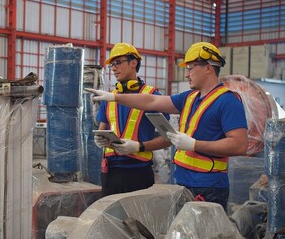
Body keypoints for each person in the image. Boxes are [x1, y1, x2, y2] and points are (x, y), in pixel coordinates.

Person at [88, 42, 249, 211]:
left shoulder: (228, 101)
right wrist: (114, 98)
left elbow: (240, 145)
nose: (186, 74)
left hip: (209, 188)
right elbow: (152, 101)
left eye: (190, 68)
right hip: (181, 182)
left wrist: (194, 145)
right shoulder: (189, 97)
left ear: (208, 67)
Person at [94, 42, 171, 197]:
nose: (114, 68)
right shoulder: (109, 97)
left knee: (138, 221)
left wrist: (139, 147)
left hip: (139, 173)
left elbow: (169, 138)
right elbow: (102, 130)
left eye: (117, 63)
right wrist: (100, 140)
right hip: (110, 173)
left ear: (133, 62)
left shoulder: (152, 97)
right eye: (111, 65)